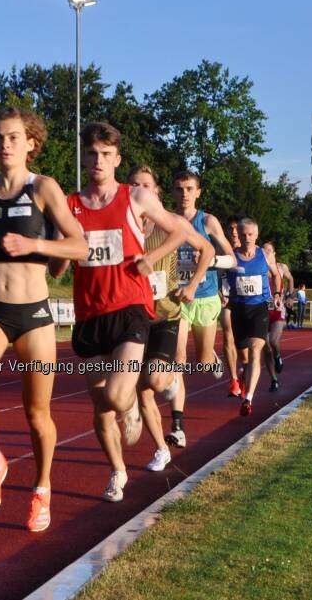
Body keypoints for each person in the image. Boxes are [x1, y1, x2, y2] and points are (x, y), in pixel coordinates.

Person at [0, 107, 87, 532]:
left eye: (13, 137)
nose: (5, 144)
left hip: (34, 315)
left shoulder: (44, 188)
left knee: (36, 413)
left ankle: (42, 489)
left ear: (31, 143)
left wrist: (34, 243)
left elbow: (79, 247)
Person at [51, 122, 184, 502]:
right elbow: (57, 268)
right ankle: (117, 471)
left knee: (116, 395)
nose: (98, 161)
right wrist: (58, 249)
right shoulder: (69, 205)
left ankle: (133, 407)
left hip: (130, 309)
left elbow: (176, 230)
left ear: (116, 159)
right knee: (101, 408)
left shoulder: (135, 197)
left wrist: (151, 258)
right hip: (90, 315)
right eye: (91, 154)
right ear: (84, 157)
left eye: (106, 155)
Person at [128, 165, 214, 472]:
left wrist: (192, 285)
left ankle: (172, 383)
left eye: (146, 185)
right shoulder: (123, 225)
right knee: (140, 389)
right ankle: (162, 449)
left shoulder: (173, 223)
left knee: (155, 380)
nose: (139, 190)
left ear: (156, 192)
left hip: (165, 313)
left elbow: (207, 249)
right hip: (133, 316)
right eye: (133, 184)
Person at [166, 171, 235, 447]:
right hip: (177, 298)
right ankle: (178, 425)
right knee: (178, 358)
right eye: (179, 189)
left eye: (189, 189)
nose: (184, 194)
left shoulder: (207, 221)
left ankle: (212, 359)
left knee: (203, 361)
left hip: (205, 298)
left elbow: (231, 258)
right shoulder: (165, 220)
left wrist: (211, 259)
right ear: (172, 193)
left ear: (198, 192)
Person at [225, 218, 282, 416]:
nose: (247, 238)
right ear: (238, 236)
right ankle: (245, 376)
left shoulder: (264, 255)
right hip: (238, 309)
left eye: (250, 234)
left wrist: (276, 294)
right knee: (244, 357)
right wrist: (220, 292)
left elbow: (276, 275)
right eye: (243, 235)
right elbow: (216, 272)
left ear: (256, 235)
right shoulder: (231, 256)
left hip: (259, 308)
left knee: (256, 349)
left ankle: (248, 398)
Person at [262, 242, 293, 393]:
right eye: (263, 249)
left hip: (277, 308)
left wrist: (289, 296)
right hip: (261, 310)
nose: (265, 252)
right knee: (265, 347)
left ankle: (278, 355)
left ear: (274, 253)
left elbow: (290, 279)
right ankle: (273, 379)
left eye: (269, 250)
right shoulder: (258, 266)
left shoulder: (281, 267)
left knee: (273, 341)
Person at [220, 216, 244, 398]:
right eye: (231, 229)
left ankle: (244, 370)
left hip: (245, 301)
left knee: (244, 344)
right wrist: (220, 293)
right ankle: (234, 380)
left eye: (237, 229)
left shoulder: (248, 251)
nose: (234, 232)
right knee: (227, 336)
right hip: (227, 300)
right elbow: (214, 273)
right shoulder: (221, 250)